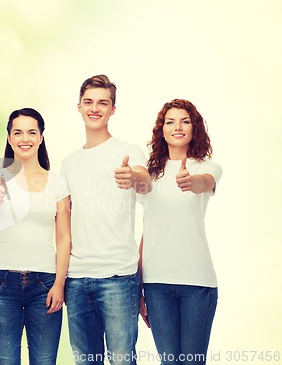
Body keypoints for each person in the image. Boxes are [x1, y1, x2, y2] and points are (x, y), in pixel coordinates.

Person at [61, 74, 152, 365]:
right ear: (78, 107)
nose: (95, 108)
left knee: (122, 361)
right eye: (88, 102)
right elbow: (62, 222)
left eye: (103, 102)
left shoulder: (128, 151)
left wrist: (133, 176)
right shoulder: (68, 163)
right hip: (76, 279)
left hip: (118, 277)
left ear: (113, 109)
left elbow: (145, 182)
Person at [139, 99, 222, 365]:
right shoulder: (150, 175)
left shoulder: (206, 168)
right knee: (169, 362)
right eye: (170, 121)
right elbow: (147, 230)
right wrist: (138, 283)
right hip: (157, 284)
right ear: (161, 130)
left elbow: (203, 184)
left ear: (194, 128)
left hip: (197, 283)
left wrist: (191, 181)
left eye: (185, 121)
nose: (177, 127)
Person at [0, 108, 71, 364]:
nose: (25, 138)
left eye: (32, 132)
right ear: (9, 138)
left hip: (44, 285)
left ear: (41, 137)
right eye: (18, 132)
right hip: (2, 283)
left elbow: (64, 237)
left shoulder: (57, 183)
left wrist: (59, 283)